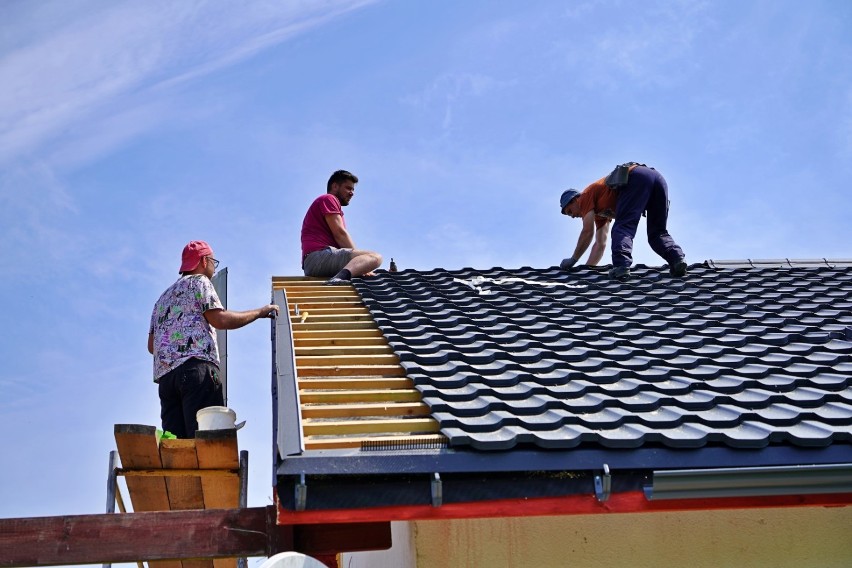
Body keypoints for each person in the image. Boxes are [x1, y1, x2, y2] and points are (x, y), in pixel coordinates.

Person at [148, 240, 279, 438]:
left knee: (176, 446)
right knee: (204, 440)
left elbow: (152, 346)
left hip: (167, 380)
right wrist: (259, 312)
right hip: (196, 371)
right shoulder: (200, 282)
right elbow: (219, 319)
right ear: (203, 260)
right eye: (213, 261)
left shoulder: (162, 299)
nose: (213, 267)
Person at [559, 162, 687, 281]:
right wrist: (586, 271)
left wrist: (573, 259)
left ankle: (622, 266)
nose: (572, 216)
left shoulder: (584, 197)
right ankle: (677, 260)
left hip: (637, 177)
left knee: (622, 228)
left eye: (570, 211)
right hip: (657, 179)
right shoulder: (600, 214)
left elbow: (587, 232)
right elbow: (600, 244)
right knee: (657, 233)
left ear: (575, 200)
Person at [301, 169, 383, 284]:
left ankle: (342, 275)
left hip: (316, 262)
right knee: (375, 257)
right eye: (348, 188)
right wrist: (361, 261)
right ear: (335, 186)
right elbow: (340, 233)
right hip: (318, 257)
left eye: (353, 190)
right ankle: (341, 278)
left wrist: (361, 266)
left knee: (365, 262)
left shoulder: (334, 208)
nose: (352, 193)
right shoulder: (328, 199)